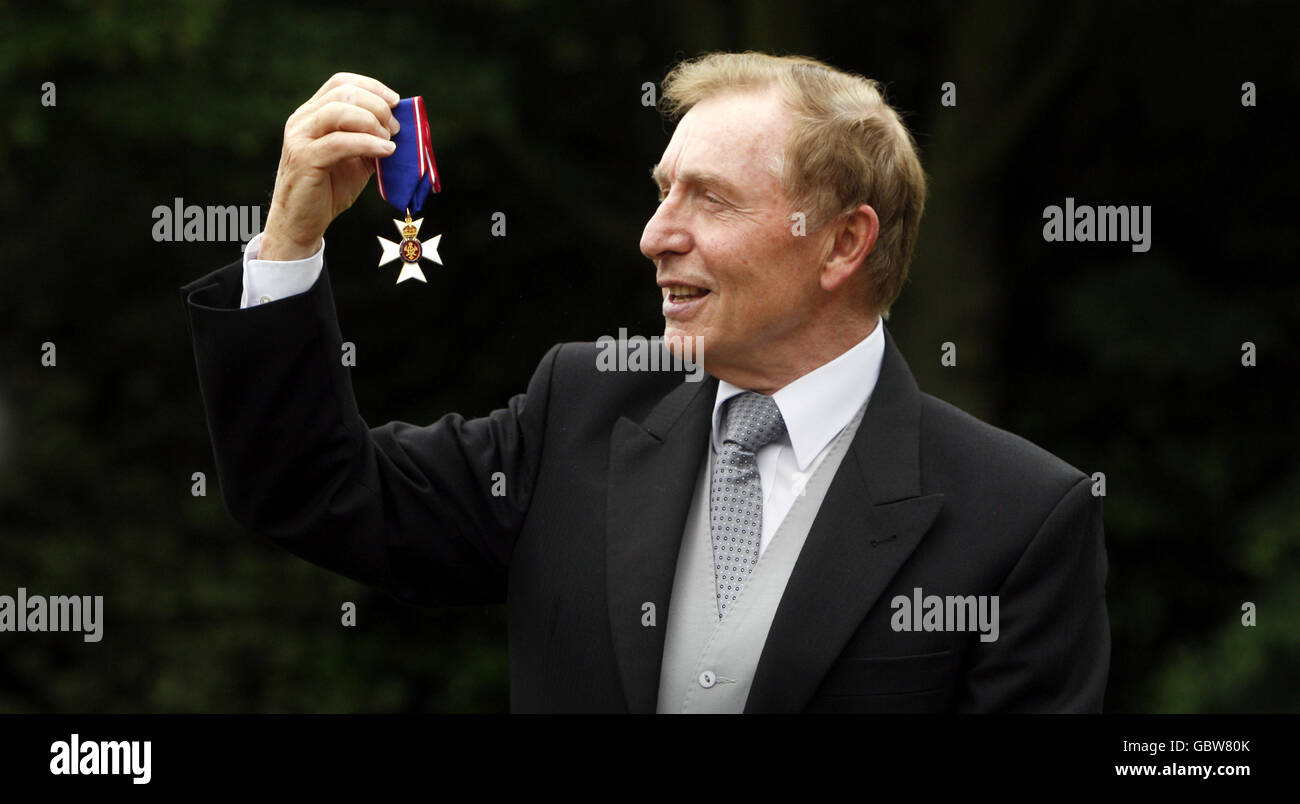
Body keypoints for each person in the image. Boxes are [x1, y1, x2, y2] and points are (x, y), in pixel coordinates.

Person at [181, 53, 1109, 713]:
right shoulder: (581, 407)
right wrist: (290, 243)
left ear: (843, 243)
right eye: (663, 191)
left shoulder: (1020, 517)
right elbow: (311, 490)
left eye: (707, 197)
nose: (655, 235)